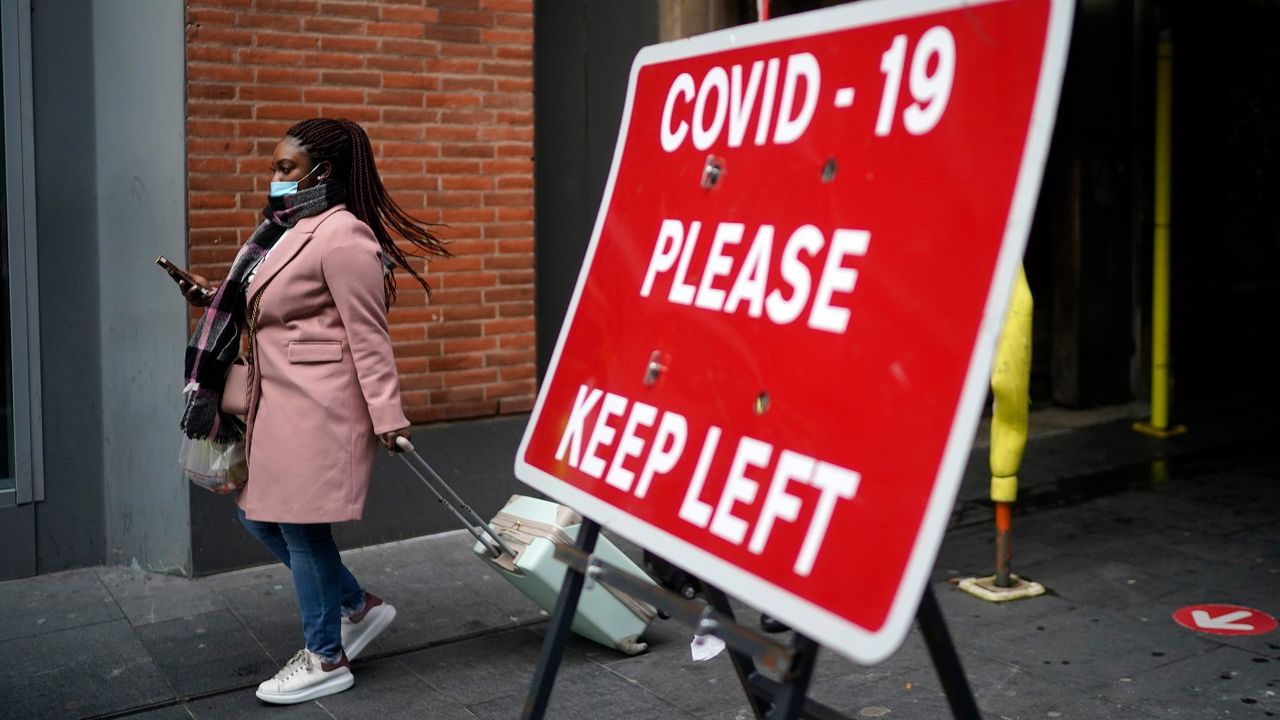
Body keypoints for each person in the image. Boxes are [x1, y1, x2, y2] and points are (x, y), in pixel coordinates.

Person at [177, 117, 449, 704]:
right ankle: (357, 605)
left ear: (322, 173)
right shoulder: (291, 229)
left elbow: (368, 334)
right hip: (279, 401)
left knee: (300, 530)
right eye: (276, 167)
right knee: (259, 517)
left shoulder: (343, 235)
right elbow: (274, 300)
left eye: (286, 169)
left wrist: (388, 417)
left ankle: (326, 656)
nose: (274, 179)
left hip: (320, 406)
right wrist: (211, 294)